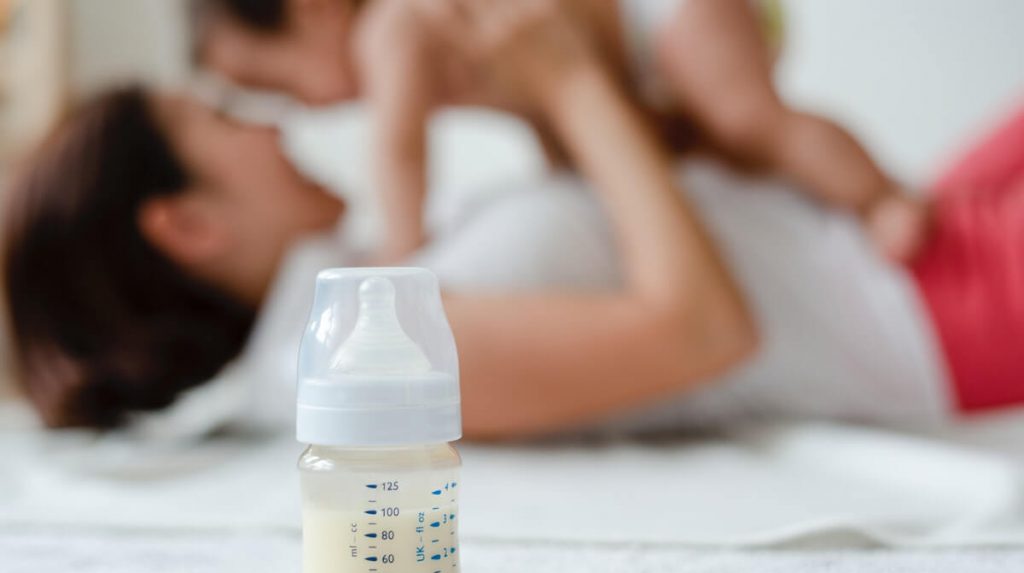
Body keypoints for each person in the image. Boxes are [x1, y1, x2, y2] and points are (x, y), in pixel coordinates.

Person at [3, 1, 1022, 438]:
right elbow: (707, 330)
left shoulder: (356, 282)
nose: (277, 130)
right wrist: (567, 81)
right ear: (187, 226)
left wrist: (555, 89)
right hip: (928, 314)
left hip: (878, 246)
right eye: (227, 119)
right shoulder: (353, 361)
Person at [190, 0, 926, 264]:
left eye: (279, 84)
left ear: (314, 8)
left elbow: (400, 149)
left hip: (656, 14)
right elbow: (537, 107)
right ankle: (828, 216)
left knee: (747, 118)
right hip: (627, 67)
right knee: (713, 151)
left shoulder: (392, 25)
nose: (301, 110)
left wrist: (401, 249)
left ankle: (882, 197)